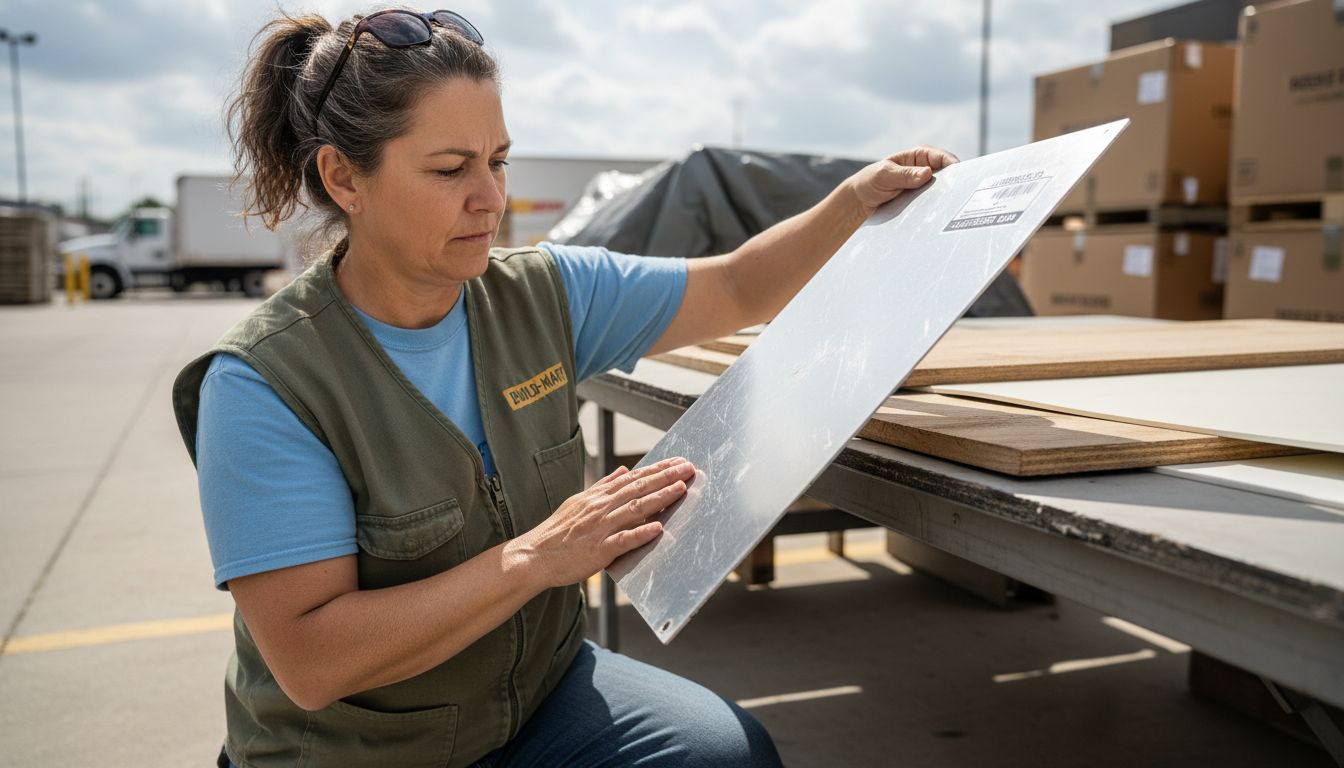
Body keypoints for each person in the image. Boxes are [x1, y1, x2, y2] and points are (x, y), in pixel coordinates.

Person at [172, 8, 957, 768]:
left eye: (499, 159)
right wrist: (540, 556)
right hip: (362, 753)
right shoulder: (265, 384)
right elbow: (313, 661)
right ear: (344, 177)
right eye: (450, 169)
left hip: (532, 698)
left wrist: (855, 203)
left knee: (726, 754)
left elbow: (739, 287)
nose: (490, 198)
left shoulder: (545, 293)